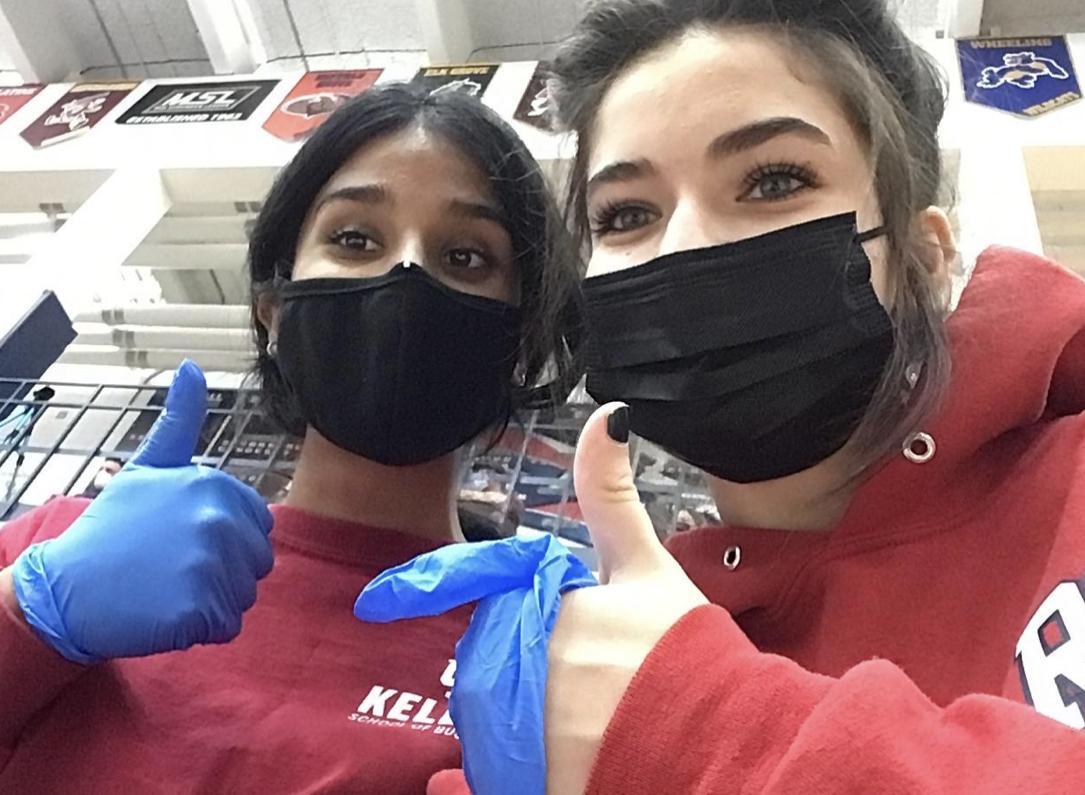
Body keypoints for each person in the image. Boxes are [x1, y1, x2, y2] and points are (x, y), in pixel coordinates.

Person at [359, 2, 1085, 793]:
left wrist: (693, 722)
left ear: (922, 254)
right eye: (626, 214)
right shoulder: (628, 641)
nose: (684, 245)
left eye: (773, 181)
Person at [0, 83, 581, 792]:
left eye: (465, 257)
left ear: (520, 341)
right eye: (354, 239)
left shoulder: (544, 648)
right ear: (273, 310)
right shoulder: (61, 546)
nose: (404, 274)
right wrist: (27, 615)